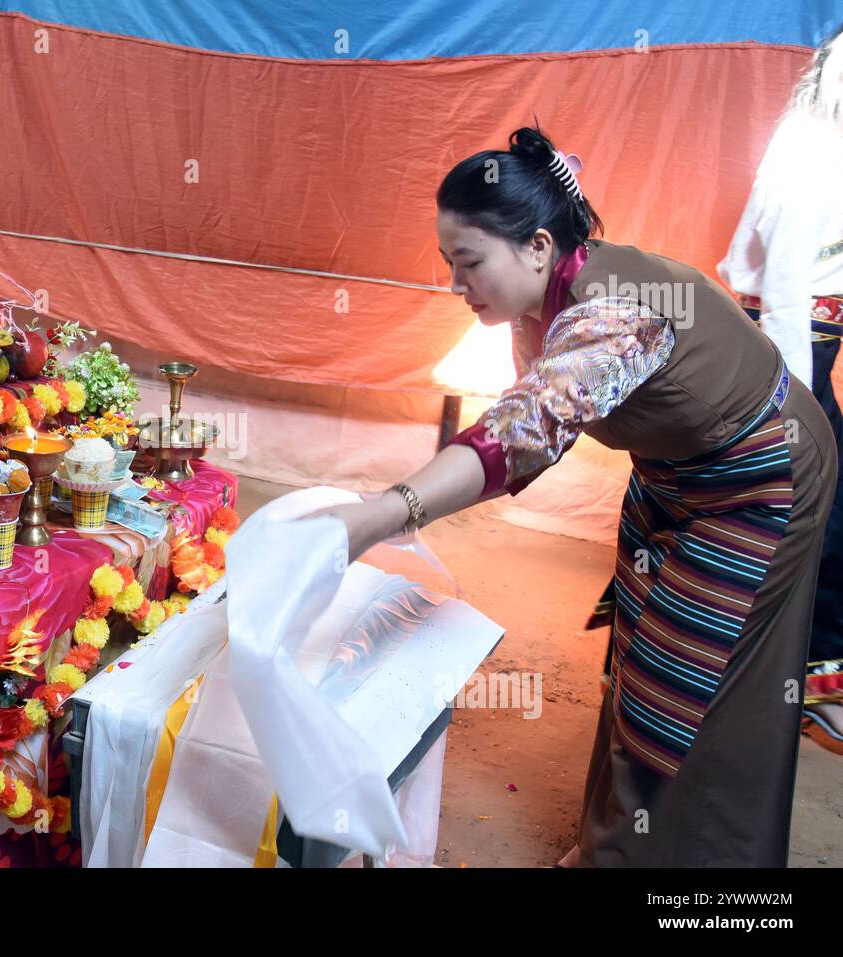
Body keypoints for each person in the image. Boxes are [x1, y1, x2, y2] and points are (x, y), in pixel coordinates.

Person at [311, 127, 837, 866]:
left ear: (535, 246)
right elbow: (526, 426)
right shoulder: (538, 307)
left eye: (469, 263)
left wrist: (380, 513)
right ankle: (611, 846)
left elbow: (523, 431)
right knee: (636, 661)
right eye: (448, 264)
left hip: (757, 474)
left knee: (689, 688)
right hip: (673, 473)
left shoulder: (617, 311)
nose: (456, 285)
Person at [719, 27, 843, 745]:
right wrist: (797, 402)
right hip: (787, 346)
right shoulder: (811, 145)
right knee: (806, 505)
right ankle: (789, 678)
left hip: (810, 346)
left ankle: (808, 675)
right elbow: (790, 280)